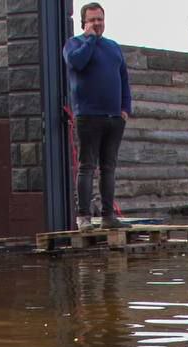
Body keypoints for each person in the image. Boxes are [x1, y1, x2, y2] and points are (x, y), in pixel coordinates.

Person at [63, 2, 132, 231]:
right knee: (87, 167)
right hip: (88, 116)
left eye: (100, 19)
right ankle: (83, 217)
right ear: (84, 22)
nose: (96, 23)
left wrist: (125, 109)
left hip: (114, 118)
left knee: (108, 167)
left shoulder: (113, 47)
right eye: (92, 20)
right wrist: (91, 39)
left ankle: (108, 216)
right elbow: (77, 63)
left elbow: (123, 78)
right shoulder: (74, 45)